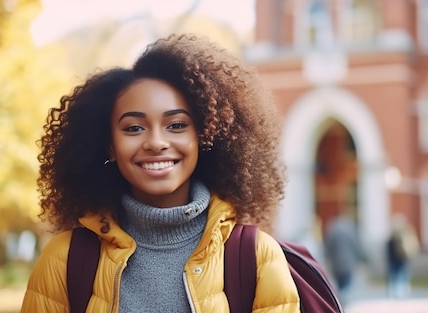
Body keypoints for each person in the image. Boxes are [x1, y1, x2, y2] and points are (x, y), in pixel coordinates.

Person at [20, 33, 300, 312]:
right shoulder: (64, 261)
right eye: (134, 128)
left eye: (176, 125)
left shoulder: (256, 257)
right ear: (110, 147)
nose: (156, 142)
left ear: (204, 136)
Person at [323, 207, 368, 304]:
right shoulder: (350, 228)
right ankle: (344, 303)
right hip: (349, 262)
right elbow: (356, 245)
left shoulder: (332, 228)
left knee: (340, 285)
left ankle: (341, 302)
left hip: (336, 263)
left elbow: (328, 247)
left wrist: (328, 259)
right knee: (347, 285)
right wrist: (361, 258)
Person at [385, 213, 419, 299]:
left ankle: (398, 292)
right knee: (402, 275)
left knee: (396, 275)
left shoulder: (395, 235)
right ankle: (402, 291)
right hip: (402, 259)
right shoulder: (405, 233)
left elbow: (389, 249)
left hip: (397, 259)